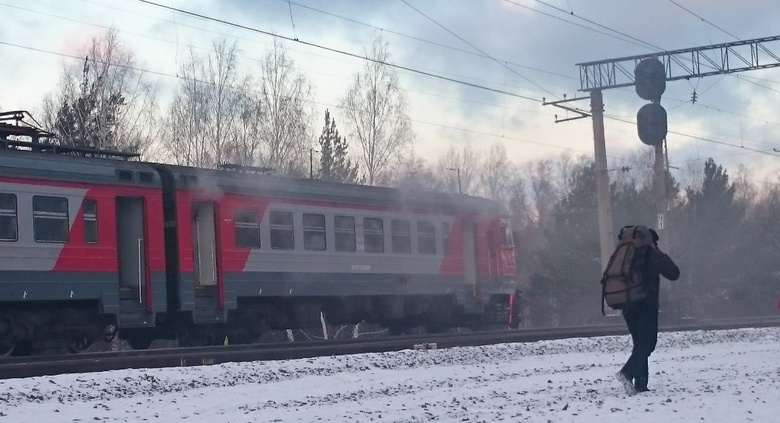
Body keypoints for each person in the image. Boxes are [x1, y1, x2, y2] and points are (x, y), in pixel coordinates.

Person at [615, 227, 680, 395]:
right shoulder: (652, 256)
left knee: (640, 344)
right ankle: (627, 372)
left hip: (627, 306)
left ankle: (641, 384)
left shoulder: (625, 256)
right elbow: (674, 273)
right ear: (651, 241)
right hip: (646, 305)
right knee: (648, 343)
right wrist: (659, 253)